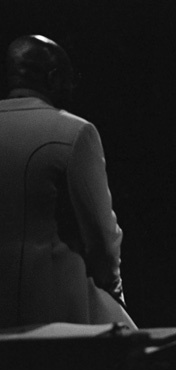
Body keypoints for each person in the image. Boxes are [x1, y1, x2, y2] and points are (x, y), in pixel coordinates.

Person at [0, 35, 136, 329]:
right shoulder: (75, 132)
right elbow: (101, 237)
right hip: (57, 307)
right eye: (68, 78)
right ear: (52, 77)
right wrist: (115, 294)